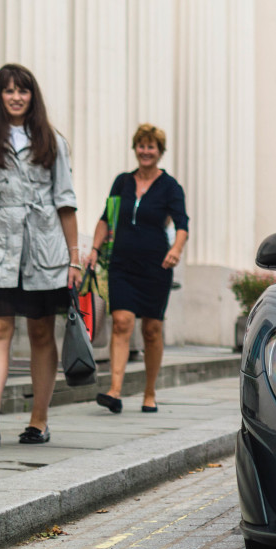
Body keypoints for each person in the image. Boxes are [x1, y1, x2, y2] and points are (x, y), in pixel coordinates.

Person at [0, 64, 82, 448]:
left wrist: (74, 258)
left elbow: (65, 201)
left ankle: (39, 420)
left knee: (41, 331)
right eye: (8, 90)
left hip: (44, 250)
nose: (15, 97)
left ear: (32, 96)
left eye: (22, 91)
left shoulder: (51, 141)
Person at [87, 124, 188, 414]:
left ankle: (149, 392)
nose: (146, 151)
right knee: (121, 322)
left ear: (160, 151)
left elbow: (182, 224)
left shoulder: (170, 187)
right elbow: (106, 218)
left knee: (152, 330)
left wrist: (175, 250)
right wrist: (94, 250)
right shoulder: (122, 182)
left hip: (155, 266)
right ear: (135, 149)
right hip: (121, 263)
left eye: (151, 146)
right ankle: (115, 391)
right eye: (141, 146)